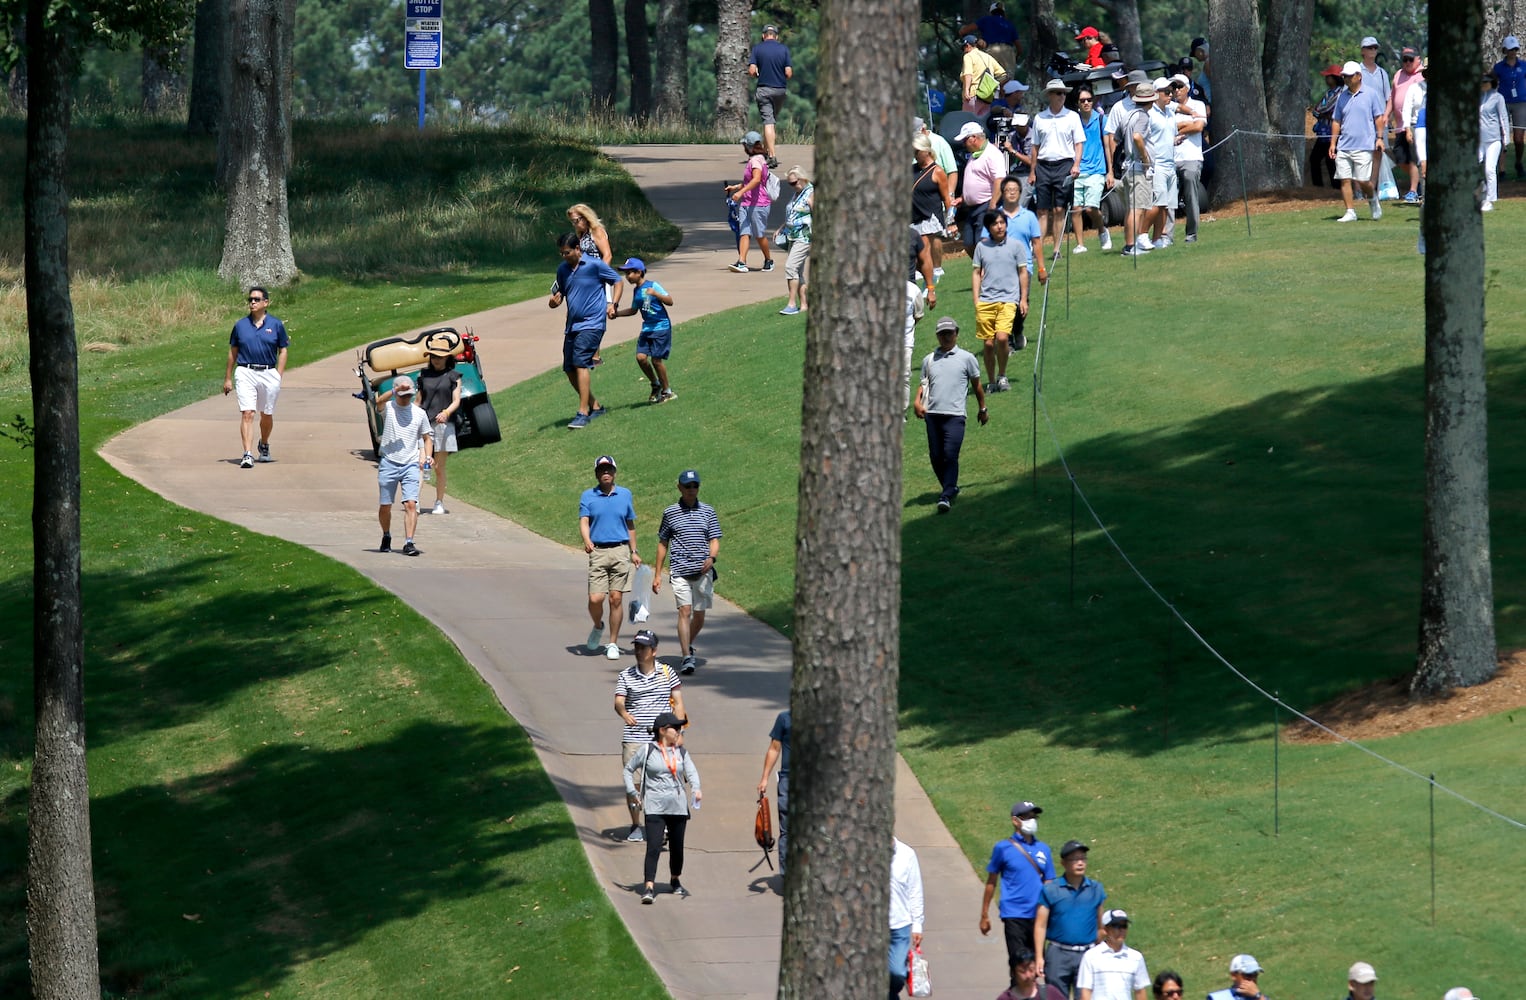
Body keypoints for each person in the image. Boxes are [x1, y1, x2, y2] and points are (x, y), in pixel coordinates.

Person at [614, 629, 686, 843]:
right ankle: (636, 825)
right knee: (634, 784)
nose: (638, 651)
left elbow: (679, 703)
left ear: (654, 651)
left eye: (643, 647)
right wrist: (624, 712)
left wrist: (678, 732)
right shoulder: (626, 675)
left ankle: (659, 826)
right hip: (634, 736)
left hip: (660, 739)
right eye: (636, 647)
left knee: (662, 783)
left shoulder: (667, 673)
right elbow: (619, 701)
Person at [623, 711, 701, 903]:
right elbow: (628, 769)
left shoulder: (681, 752)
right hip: (655, 806)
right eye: (676, 728)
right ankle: (649, 886)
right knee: (654, 847)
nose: (679, 731)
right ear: (663, 731)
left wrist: (696, 789)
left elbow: (692, 773)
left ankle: (675, 879)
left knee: (677, 848)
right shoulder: (648, 750)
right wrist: (632, 791)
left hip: (678, 807)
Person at [912, 317, 987, 513]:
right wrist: (916, 402)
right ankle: (950, 486)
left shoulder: (967, 358)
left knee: (950, 455)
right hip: (933, 415)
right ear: (937, 335)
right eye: (942, 334)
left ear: (956, 333)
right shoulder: (928, 360)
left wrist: (982, 409)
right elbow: (923, 384)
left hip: (955, 416)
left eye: (949, 333)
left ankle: (945, 495)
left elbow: (977, 386)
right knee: (936, 456)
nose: (946, 337)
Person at [549, 231, 622, 428]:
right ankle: (595, 406)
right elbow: (560, 294)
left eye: (567, 253)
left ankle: (583, 412)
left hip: (593, 323)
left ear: (578, 249)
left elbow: (617, 280)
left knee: (581, 363)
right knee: (569, 368)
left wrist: (613, 304)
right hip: (572, 325)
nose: (564, 257)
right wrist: (554, 302)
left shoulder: (594, 265)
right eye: (562, 254)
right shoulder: (562, 270)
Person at [653, 468, 722, 673]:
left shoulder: (708, 511)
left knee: (699, 616)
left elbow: (714, 539)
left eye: (695, 486)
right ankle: (686, 657)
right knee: (685, 610)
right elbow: (663, 543)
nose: (692, 490)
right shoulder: (670, 512)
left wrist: (712, 557)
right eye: (688, 486)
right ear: (679, 488)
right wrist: (657, 574)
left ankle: (687, 645)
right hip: (680, 570)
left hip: (703, 571)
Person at [980, 800, 1055, 975]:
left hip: (1038, 916)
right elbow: (991, 881)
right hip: (1014, 914)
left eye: (1033, 816)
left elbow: (1049, 882)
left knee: (1037, 966)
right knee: (1019, 966)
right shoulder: (1003, 848)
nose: (1032, 820)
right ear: (1015, 821)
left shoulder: (1043, 849)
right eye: (1027, 817)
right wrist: (984, 914)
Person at [581, 454, 640, 660]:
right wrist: (587, 540)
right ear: (597, 474)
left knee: (616, 598)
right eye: (602, 470)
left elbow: (630, 524)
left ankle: (613, 643)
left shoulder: (625, 494)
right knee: (595, 598)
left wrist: (634, 551)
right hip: (598, 551)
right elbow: (584, 521)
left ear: (614, 473)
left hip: (621, 551)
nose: (606, 473)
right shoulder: (588, 496)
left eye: (609, 470)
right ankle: (598, 626)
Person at [223, 285, 288, 468]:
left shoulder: (276, 325)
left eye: (256, 299)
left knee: (266, 414)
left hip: (268, 372)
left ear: (265, 302)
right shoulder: (240, 326)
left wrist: (278, 374)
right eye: (250, 299)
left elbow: (283, 350)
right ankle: (247, 454)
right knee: (247, 413)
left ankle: (264, 443)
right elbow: (233, 352)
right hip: (245, 371)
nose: (252, 302)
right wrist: (228, 378)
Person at [1034, 840, 1107, 1000]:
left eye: (1083, 858)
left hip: (1087, 954)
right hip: (1058, 954)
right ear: (1063, 863)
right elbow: (1040, 925)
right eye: (1075, 859)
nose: (1080, 862)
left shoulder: (1096, 889)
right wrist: (1039, 957)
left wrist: (1099, 951)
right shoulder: (1051, 890)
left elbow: (1101, 927)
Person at [971, 210, 1029, 392]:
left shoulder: (1016, 246)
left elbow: (1023, 272)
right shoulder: (981, 247)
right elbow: (976, 273)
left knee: (1002, 338)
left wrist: (1023, 299)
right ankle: (991, 381)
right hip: (986, 301)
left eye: (1002, 222)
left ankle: (1002, 375)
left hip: (1008, 300)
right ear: (989, 227)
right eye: (995, 223)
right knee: (988, 344)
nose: (1000, 226)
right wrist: (976, 299)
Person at [372, 374, 429, 556]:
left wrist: (427, 456)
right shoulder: (388, 408)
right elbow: (378, 403)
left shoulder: (419, 414)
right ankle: (386, 534)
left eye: (408, 395)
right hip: (389, 462)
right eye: (403, 395)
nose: (406, 398)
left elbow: (427, 437)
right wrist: (395, 389)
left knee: (411, 504)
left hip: (410, 463)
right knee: (385, 506)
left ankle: (409, 542)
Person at [1031, 79, 1085, 259]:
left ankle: (1056, 249)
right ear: (1050, 96)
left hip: (1064, 164)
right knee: (1042, 210)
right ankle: (1037, 249)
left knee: (1059, 209)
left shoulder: (1072, 116)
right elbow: (1035, 147)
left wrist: (1076, 164)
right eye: (1058, 93)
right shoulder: (1040, 118)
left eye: (1064, 93)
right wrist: (1033, 171)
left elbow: (1078, 144)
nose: (1062, 96)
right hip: (1044, 165)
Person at [613, 257, 677, 403]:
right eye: (626, 273)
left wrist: (655, 294)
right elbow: (634, 310)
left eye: (630, 273)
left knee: (656, 360)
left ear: (639, 272)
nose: (627, 276)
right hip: (647, 328)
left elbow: (670, 301)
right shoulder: (637, 291)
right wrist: (617, 314)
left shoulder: (653, 285)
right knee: (641, 358)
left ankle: (667, 391)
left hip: (661, 327)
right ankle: (656, 384)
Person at [1329, 61, 1386, 223]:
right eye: (1344, 76)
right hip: (1344, 145)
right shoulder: (1342, 97)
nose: (1346, 79)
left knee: (1362, 181)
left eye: (1349, 76)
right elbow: (1336, 121)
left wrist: (1380, 138)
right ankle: (1350, 211)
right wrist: (1333, 143)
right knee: (1345, 179)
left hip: (1364, 145)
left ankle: (1372, 198)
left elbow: (1378, 118)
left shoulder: (1371, 94)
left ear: (1358, 76)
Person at [996, 177, 1045, 352]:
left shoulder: (1029, 216)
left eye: (1015, 190)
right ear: (1002, 193)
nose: (1011, 192)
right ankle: (1007, 340)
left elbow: (1037, 243)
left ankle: (1017, 330)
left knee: (1021, 303)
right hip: (1001, 268)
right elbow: (986, 241)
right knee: (1004, 304)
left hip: (1024, 267)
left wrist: (1041, 268)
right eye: (1008, 190)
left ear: (1019, 193)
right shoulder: (996, 217)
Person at [415, 332, 461, 515]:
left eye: (439, 357)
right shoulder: (424, 375)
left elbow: (456, 400)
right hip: (424, 423)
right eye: (433, 356)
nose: (436, 360)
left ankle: (439, 502)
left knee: (438, 467)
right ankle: (415, 501)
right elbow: (419, 400)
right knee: (421, 463)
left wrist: (446, 412)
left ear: (447, 358)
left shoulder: (454, 376)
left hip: (443, 424)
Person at [725, 131, 776, 273]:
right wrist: (736, 187)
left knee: (759, 234)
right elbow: (749, 182)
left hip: (759, 204)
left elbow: (756, 180)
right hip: (747, 203)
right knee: (744, 232)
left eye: (744, 145)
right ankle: (742, 262)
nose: (744, 148)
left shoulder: (756, 160)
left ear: (750, 146)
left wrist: (740, 193)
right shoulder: (756, 159)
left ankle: (768, 260)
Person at [1116, 80, 1157, 256]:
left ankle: (1129, 245)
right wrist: (1145, 157)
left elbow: (1117, 138)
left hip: (1127, 167)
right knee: (1137, 208)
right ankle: (1131, 246)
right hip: (1138, 168)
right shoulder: (1143, 116)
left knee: (1131, 208)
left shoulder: (1127, 115)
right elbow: (1137, 137)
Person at [916, 117, 960, 281]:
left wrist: (948, 195)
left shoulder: (939, 142)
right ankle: (923, 268)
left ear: (922, 129)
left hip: (937, 194)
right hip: (919, 198)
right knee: (919, 236)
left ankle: (937, 267)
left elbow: (952, 171)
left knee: (935, 234)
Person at [1071, 86, 1113, 253]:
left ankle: (1102, 230)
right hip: (1078, 170)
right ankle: (1080, 244)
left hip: (1096, 170)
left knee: (1090, 208)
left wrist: (1110, 171)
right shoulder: (1074, 121)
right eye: (1083, 100)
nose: (1086, 103)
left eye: (1089, 100)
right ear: (1078, 103)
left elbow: (1108, 147)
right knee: (1075, 209)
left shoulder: (1101, 119)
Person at [956, 121, 1008, 251]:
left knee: (983, 243)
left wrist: (993, 204)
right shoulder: (974, 156)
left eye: (965, 140)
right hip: (972, 208)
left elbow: (999, 179)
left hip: (986, 204)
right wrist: (963, 197)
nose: (963, 144)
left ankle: (988, 269)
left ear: (974, 138)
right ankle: (982, 269)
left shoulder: (992, 153)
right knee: (968, 244)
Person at [1167, 75, 1207, 244]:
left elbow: (1199, 126)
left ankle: (1191, 234)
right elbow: (1166, 129)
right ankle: (1166, 236)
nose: (1176, 90)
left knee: (1191, 197)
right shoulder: (1168, 107)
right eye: (1173, 87)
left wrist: (1179, 129)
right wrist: (1183, 126)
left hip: (1191, 157)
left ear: (1187, 88)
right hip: (1170, 159)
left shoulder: (1198, 105)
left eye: (1180, 86)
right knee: (1168, 199)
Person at [1076, 910, 1149, 1000]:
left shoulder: (1136, 958)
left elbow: (1140, 992)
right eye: (1116, 926)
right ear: (1106, 929)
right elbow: (1086, 992)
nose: (1121, 930)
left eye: (1124, 926)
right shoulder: (1090, 956)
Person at [888, 836, 925, 1000]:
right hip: (873, 927)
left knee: (896, 974)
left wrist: (917, 925)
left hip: (899, 925)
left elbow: (915, 891)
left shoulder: (907, 855)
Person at [748, 24, 791, 167]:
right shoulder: (784, 49)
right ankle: (766, 152)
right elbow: (788, 73)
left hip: (764, 89)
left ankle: (772, 156)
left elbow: (752, 71)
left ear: (763, 35)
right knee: (771, 121)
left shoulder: (757, 49)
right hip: (780, 90)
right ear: (776, 36)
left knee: (768, 122)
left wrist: (757, 74)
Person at [775, 165, 814, 314]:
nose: (792, 186)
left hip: (805, 237)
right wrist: (781, 227)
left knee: (790, 267)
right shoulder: (799, 192)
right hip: (793, 236)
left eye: (794, 183)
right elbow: (794, 214)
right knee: (797, 271)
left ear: (803, 179)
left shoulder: (811, 193)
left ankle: (791, 304)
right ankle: (804, 305)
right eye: (789, 184)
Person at [757, 709, 790, 874]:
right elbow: (774, 748)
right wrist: (764, 778)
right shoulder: (784, 718)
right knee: (787, 830)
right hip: (788, 781)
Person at [1390, 48, 1424, 201]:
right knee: (1400, 158)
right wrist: (1386, 115)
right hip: (1400, 125)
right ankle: (1417, 185)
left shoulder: (1422, 75)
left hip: (1417, 125)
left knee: (1413, 158)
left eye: (1411, 59)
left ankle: (1413, 190)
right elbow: (1393, 97)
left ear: (1418, 59)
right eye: (1405, 60)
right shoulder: (1398, 74)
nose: (1408, 63)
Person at [1493, 36, 1526, 180]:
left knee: (1518, 138)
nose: (1513, 52)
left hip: (1521, 102)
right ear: (1505, 50)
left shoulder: (1523, 65)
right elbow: (1492, 82)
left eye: (1515, 49)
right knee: (1502, 136)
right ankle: (1502, 169)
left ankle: (1518, 163)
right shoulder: (1499, 67)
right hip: (1503, 102)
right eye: (1510, 49)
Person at [1310, 66, 1346, 188]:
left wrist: (1323, 114)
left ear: (1335, 78)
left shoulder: (1341, 93)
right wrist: (1324, 114)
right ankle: (1318, 187)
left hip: (1333, 132)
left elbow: (1322, 109)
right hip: (1324, 132)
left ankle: (1335, 188)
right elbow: (1317, 111)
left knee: (1330, 160)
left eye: (1328, 76)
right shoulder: (1328, 93)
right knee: (1315, 159)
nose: (1326, 78)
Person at [1480, 69, 1511, 212]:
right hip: (1479, 140)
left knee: (1489, 169)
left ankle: (1490, 200)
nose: (1483, 84)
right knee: (1473, 165)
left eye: (1485, 82)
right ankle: (1483, 187)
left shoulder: (1498, 98)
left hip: (1494, 139)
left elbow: (1503, 118)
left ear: (1491, 83)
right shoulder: (1478, 97)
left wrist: (1506, 138)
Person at [962, 31, 1008, 115]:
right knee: (982, 125)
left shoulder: (968, 56)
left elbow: (968, 74)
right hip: (988, 97)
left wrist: (966, 90)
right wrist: (998, 87)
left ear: (967, 45)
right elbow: (1003, 75)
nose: (963, 51)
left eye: (963, 48)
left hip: (973, 95)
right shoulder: (988, 57)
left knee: (968, 122)